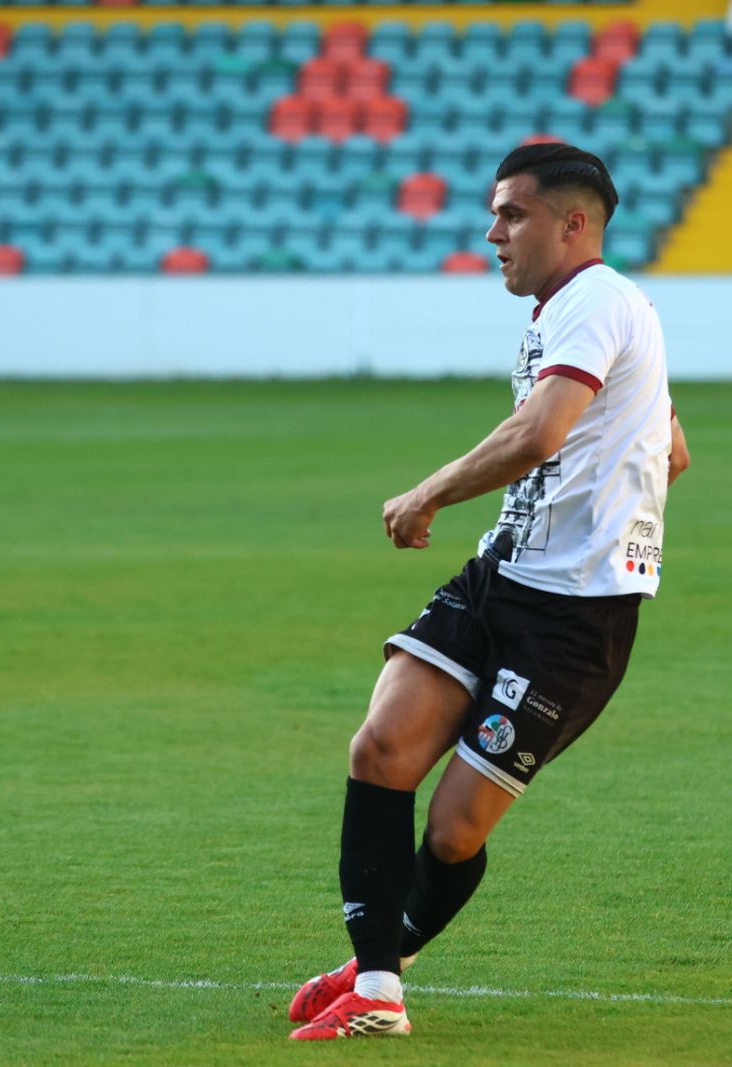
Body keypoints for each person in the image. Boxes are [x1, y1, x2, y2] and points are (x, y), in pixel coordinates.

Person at [287, 142, 691, 1041]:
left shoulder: (595, 300)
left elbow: (542, 430)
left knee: (457, 826)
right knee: (382, 745)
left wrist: (429, 490)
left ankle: (376, 967)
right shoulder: (600, 309)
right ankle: (379, 990)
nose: (491, 231)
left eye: (511, 214)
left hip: (573, 618)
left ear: (571, 223)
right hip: (502, 576)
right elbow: (672, 449)